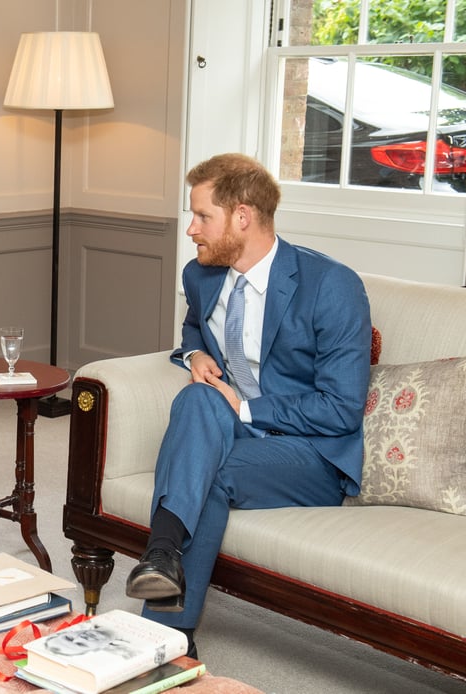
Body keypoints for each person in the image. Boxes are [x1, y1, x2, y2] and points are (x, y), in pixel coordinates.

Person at [125, 154, 371, 657]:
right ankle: (165, 566)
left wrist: (245, 410)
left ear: (242, 216)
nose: (191, 229)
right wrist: (194, 355)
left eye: (202, 217)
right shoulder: (203, 275)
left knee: (205, 474)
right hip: (229, 428)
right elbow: (195, 326)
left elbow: (341, 408)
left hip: (310, 453)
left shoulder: (332, 286)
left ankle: (165, 630)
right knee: (197, 396)